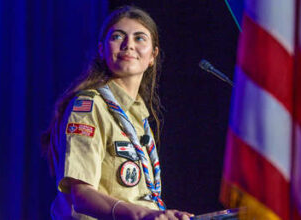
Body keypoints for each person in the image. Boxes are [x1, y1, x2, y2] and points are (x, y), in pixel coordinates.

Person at [42, 5, 193, 220]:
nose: (128, 45)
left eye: (140, 38)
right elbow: (82, 196)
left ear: (153, 55)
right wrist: (143, 215)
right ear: (102, 49)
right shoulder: (89, 106)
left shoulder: (139, 116)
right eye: (117, 36)